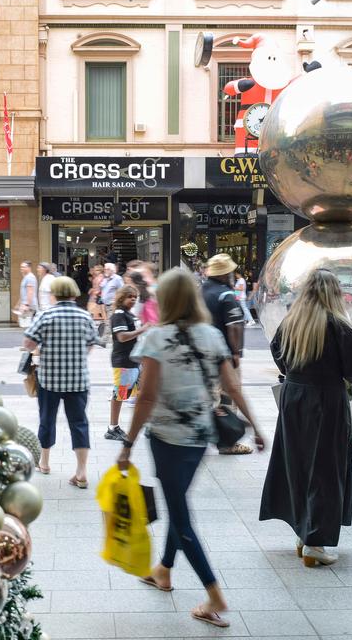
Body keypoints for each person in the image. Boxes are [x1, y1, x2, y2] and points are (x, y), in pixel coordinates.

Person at [117, 268, 265, 629]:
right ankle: (163, 571)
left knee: (180, 515)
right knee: (178, 500)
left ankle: (213, 594)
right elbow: (233, 386)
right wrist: (257, 428)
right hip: (200, 437)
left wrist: (127, 444)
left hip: (167, 438)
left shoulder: (156, 338)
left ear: (165, 299)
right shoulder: (212, 335)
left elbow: (147, 397)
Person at [261, 270, 352, 567]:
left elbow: (279, 357)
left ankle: (303, 529)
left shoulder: (291, 323)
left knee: (297, 464)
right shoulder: (338, 327)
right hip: (327, 401)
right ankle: (315, 542)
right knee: (325, 467)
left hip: (294, 398)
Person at [23, 276, 100, 489]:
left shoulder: (45, 315)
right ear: (74, 293)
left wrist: (41, 348)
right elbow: (92, 343)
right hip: (78, 380)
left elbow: (28, 343)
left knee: (46, 420)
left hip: (50, 380)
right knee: (79, 423)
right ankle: (81, 472)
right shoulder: (85, 316)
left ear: (54, 294)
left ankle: (44, 463)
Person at [200, 253, 250, 454]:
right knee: (228, 396)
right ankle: (228, 443)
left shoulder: (200, 291)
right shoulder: (226, 294)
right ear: (223, 274)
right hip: (224, 356)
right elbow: (234, 326)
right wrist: (235, 353)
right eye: (229, 271)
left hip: (202, 354)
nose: (232, 274)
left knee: (209, 397)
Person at [105, 285, 147, 441]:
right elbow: (122, 337)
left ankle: (145, 424)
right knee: (120, 394)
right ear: (122, 297)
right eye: (130, 296)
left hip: (133, 361)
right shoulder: (119, 315)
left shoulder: (129, 314)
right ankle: (112, 427)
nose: (133, 299)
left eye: (135, 297)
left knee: (140, 392)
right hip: (124, 361)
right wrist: (142, 329)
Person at [17, 261, 38, 328]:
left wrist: (27, 305)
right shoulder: (26, 277)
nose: (21, 268)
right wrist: (19, 304)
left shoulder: (30, 277)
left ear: (29, 268)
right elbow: (25, 292)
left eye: (23, 267)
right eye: (21, 267)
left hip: (29, 306)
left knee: (27, 326)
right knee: (26, 325)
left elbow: (30, 292)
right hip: (27, 305)